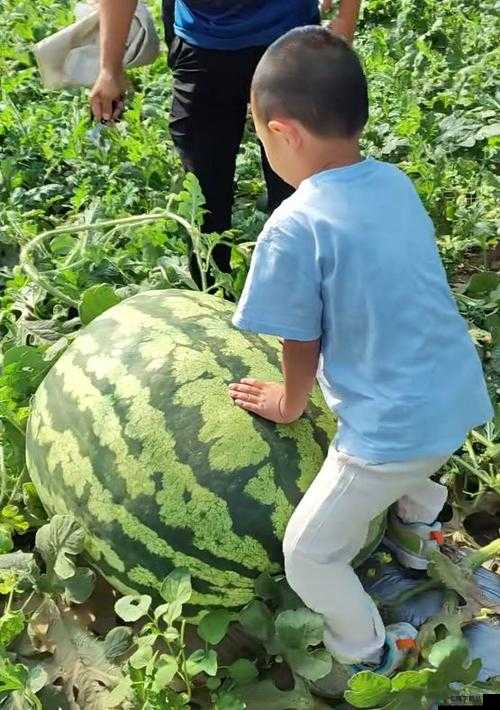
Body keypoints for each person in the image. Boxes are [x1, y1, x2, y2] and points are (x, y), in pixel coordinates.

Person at [228, 27, 493, 691]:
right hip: (457, 400)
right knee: (415, 462)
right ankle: (415, 533)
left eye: (259, 135)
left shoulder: (294, 225)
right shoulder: (394, 183)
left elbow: (299, 336)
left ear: (281, 131)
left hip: (389, 435)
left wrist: (290, 402)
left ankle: (368, 652)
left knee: (309, 556)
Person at [90, 1, 361, 278]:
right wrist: (109, 69)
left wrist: (346, 19)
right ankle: (211, 287)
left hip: (289, 38)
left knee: (300, 187)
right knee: (204, 191)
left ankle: (302, 287)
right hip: (202, 43)